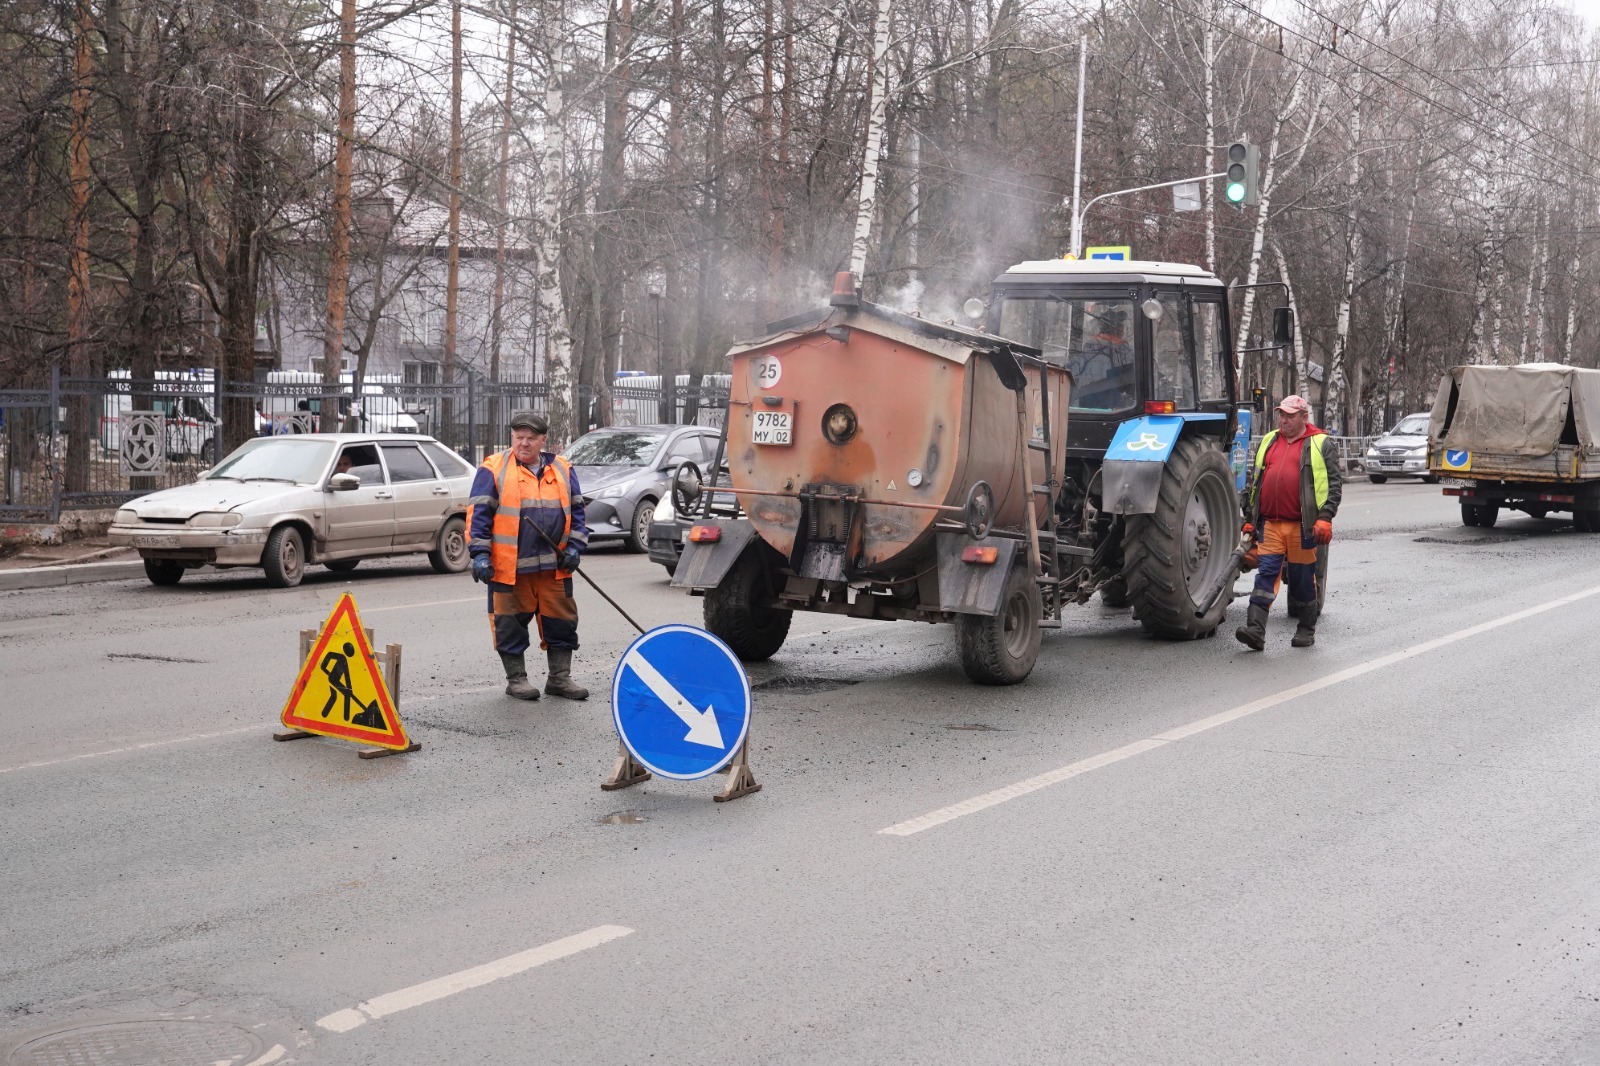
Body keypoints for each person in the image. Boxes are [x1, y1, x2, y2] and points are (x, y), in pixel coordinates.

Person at [467, 411, 590, 701]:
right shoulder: (493, 468)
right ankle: (517, 680)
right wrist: (480, 555)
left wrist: (575, 548)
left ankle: (559, 678)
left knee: (561, 622)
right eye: (519, 437)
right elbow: (478, 515)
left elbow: (578, 513)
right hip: (509, 569)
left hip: (554, 567)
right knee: (509, 624)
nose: (524, 443)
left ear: (543, 440)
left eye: (531, 438)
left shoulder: (563, 468)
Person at [1236, 394, 1341, 650]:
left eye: (1290, 416)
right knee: (1265, 575)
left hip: (1302, 527)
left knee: (1302, 579)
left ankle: (1306, 630)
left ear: (1304, 417)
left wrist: (1325, 517)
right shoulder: (1270, 440)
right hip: (1271, 524)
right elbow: (1256, 482)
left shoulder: (1320, 443)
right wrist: (1250, 519)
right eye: (1281, 414)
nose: (1283, 419)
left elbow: (1333, 485)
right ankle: (1255, 630)